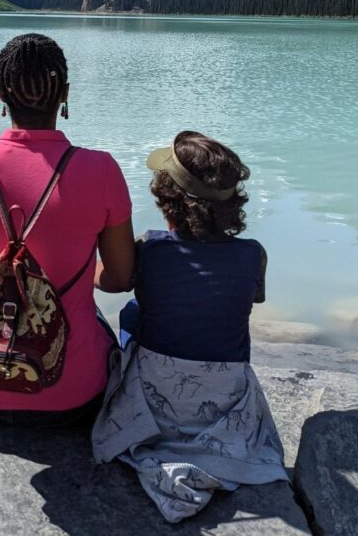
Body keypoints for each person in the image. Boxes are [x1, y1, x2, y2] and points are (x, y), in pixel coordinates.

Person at [0, 32, 135, 425]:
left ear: (0, 94)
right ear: (64, 93)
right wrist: (79, 270)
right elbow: (120, 279)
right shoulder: (102, 171)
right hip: (74, 394)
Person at [92, 131, 287, 522]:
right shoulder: (253, 255)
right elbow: (244, 301)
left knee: (131, 314)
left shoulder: (151, 249)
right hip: (226, 391)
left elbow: (104, 279)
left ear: (167, 201)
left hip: (156, 394)